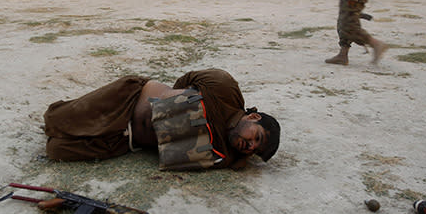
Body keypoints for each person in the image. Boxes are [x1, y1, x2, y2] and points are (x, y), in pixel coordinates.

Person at [43, 69, 281, 170]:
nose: (250, 146)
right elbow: (185, 79)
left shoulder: (226, 154)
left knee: (56, 149)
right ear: (253, 116)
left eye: (254, 151)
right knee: (54, 121)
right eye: (256, 137)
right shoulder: (225, 88)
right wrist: (174, 101)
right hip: (127, 101)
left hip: (126, 142)